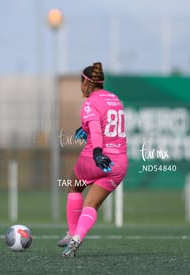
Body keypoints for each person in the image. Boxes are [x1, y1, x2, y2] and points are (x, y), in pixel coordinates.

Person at [58, 62, 128, 257]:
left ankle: (72, 231)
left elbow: (97, 129)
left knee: (74, 186)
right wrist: (86, 129)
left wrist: (97, 152)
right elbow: (108, 128)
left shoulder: (90, 102)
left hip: (95, 159)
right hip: (118, 164)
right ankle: (76, 240)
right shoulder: (116, 100)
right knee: (91, 205)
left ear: (86, 82)